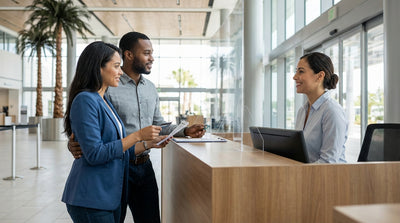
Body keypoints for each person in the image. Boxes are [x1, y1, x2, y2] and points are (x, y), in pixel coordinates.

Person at [68, 32, 206, 223]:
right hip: (116, 167)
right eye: (147, 53)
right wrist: (75, 142)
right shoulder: (106, 90)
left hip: (141, 162)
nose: (152, 58)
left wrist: (184, 131)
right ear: (129, 55)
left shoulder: (149, 88)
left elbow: (158, 124)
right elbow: (89, 130)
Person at [62, 41, 170, 223]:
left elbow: (118, 149)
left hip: (109, 194)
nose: (120, 72)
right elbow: (95, 153)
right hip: (92, 195)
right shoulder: (85, 100)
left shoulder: (103, 100)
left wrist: (147, 144)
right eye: (116, 66)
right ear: (98, 67)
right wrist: (137, 136)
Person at [293, 52, 348, 163]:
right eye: (296, 71)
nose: (295, 77)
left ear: (319, 76)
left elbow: (328, 162)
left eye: (301, 71)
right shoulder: (302, 111)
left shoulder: (332, 111)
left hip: (327, 178)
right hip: (307, 175)